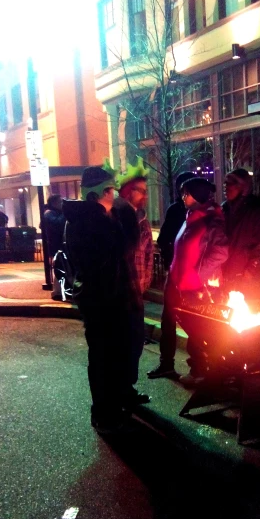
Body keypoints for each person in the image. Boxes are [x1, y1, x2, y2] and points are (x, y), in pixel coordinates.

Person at [63, 163, 149, 435]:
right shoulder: (90, 220)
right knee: (103, 358)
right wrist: (126, 215)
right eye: (110, 190)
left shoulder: (101, 217)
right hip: (104, 302)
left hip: (115, 299)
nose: (115, 196)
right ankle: (103, 412)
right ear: (96, 193)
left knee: (118, 354)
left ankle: (117, 399)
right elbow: (124, 249)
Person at [168, 177, 229, 384]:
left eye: (187, 193)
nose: (183, 196)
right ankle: (200, 370)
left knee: (204, 331)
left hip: (201, 288)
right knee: (194, 330)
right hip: (186, 285)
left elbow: (220, 252)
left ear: (198, 195)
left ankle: (208, 372)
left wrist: (198, 275)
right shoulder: (191, 216)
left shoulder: (211, 220)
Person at [148, 170, 195, 380]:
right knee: (170, 318)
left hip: (193, 278)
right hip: (179, 275)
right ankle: (168, 363)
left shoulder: (203, 212)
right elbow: (164, 238)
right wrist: (171, 261)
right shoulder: (178, 210)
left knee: (192, 320)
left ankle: (199, 366)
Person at [221, 168, 260, 300]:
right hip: (228, 274)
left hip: (249, 278)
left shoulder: (257, 210)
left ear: (243, 186)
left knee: (251, 312)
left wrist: (250, 272)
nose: (226, 187)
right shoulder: (224, 209)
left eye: (231, 184)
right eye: (225, 184)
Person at [116, 160, 153, 294]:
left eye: (146, 191)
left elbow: (148, 254)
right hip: (119, 292)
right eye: (141, 191)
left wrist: (144, 282)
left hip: (138, 290)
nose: (146, 195)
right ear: (128, 191)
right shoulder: (115, 217)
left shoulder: (143, 221)